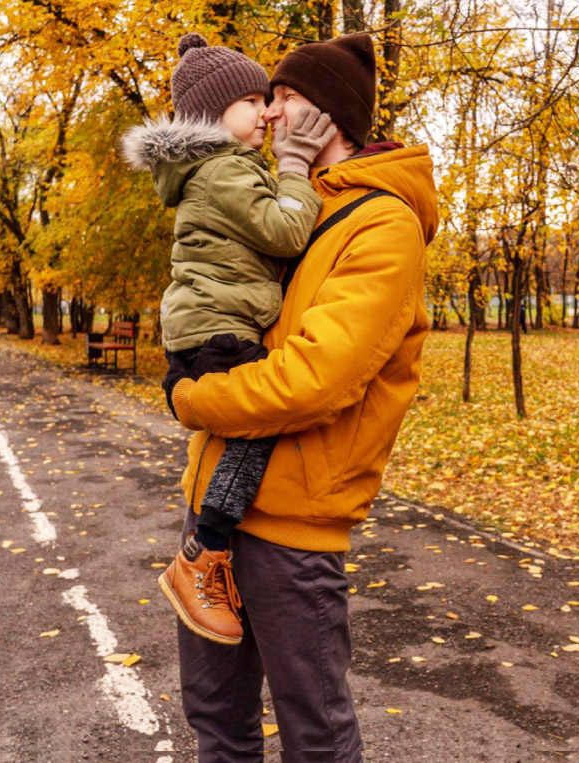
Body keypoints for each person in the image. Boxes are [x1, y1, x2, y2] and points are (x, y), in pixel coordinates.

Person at [166, 33, 438, 762]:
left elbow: (314, 381)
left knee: (314, 732)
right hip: (216, 508)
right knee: (216, 717)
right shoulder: (293, 207)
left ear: (329, 114)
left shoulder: (385, 224)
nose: (271, 115)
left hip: (291, 529)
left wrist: (194, 397)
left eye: (282, 97)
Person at [121, 33, 338, 645]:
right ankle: (204, 553)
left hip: (206, 322)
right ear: (216, 114)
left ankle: (208, 550)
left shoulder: (217, 168)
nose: (268, 113)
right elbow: (286, 232)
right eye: (254, 100)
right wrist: (296, 166)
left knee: (245, 433)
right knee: (262, 426)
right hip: (218, 325)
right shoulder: (221, 170)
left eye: (272, 99)